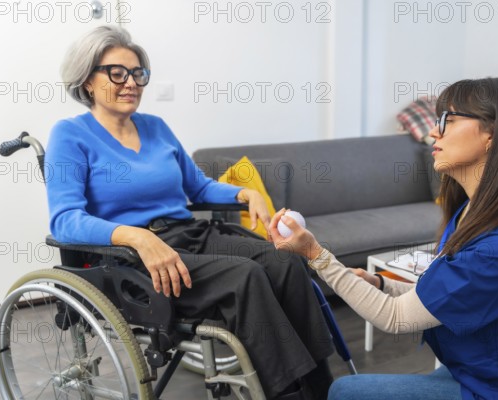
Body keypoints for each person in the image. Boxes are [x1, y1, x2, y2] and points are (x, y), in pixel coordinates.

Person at [46, 25, 334, 400]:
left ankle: (323, 386)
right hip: (134, 259)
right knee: (245, 277)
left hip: (188, 235)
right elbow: (65, 220)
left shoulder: (155, 128)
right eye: (117, 73)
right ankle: (288, 394)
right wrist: (136, 236)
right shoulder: (70, 136)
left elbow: (197, 187)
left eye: (137, 74)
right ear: (86, 80)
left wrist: (246, 193)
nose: (130, 82)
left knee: (284, 262)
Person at [269, 78, 498, 399]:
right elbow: (448, 297)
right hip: (487, 369)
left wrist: (315, 254)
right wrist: (382, 284)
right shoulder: (472, 211)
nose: (433, 132)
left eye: (448, 120)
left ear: (492, 133)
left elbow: (395, 317)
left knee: (344, 391)